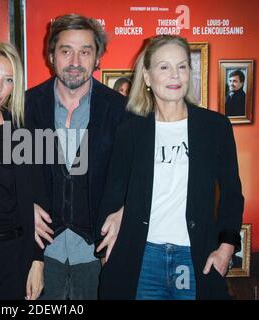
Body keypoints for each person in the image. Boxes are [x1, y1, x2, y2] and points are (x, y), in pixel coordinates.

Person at [96, 35, 244, 300]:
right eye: (164, 67)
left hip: (193, 256)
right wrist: (118, 219)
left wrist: (226, 248)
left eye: (182, 66)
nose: (175, 75)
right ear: (148, 76)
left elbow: (232, 193)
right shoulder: (130, 131)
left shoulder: (214, 127)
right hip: (143, 258)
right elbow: (113, 192)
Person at [25, 14, 126, 299]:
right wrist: (23, 206)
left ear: (97, 59)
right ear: (51, 55)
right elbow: (6, 172)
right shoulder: (24, 106)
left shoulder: (122, 110)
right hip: (41, 255)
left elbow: (142, 173)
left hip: (100, 256)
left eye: (85, 52)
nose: (75, 61)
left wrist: (125, 210)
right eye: (66, 50)